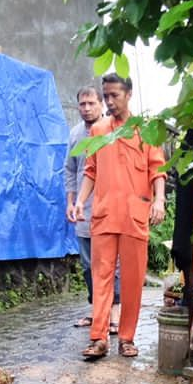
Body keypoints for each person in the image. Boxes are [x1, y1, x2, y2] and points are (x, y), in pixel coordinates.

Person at [69, 72, 165, 361]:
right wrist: (79, 202)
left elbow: (157, 169)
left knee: (134, 280)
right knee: (101, 277)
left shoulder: (146, 130)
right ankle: (99, 338)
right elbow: (90, 172)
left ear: (129, 94)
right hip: (104, 214)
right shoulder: (98, 131)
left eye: (114, 96)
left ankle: (126, 338)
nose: (109, 102)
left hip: (135, 214)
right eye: (106, 96)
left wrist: (159, 200)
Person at [64, 85, 118, 327]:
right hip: (83, 211)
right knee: (88, 264)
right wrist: (71, 201)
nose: (86, 108)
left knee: (110, 264)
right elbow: (71, 169)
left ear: (101, 105)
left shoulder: (112, 132)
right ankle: (97, 311)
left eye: (91, 103)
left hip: (109, 208)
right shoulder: (75, 134)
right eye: (82, 104)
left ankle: (114, 315)